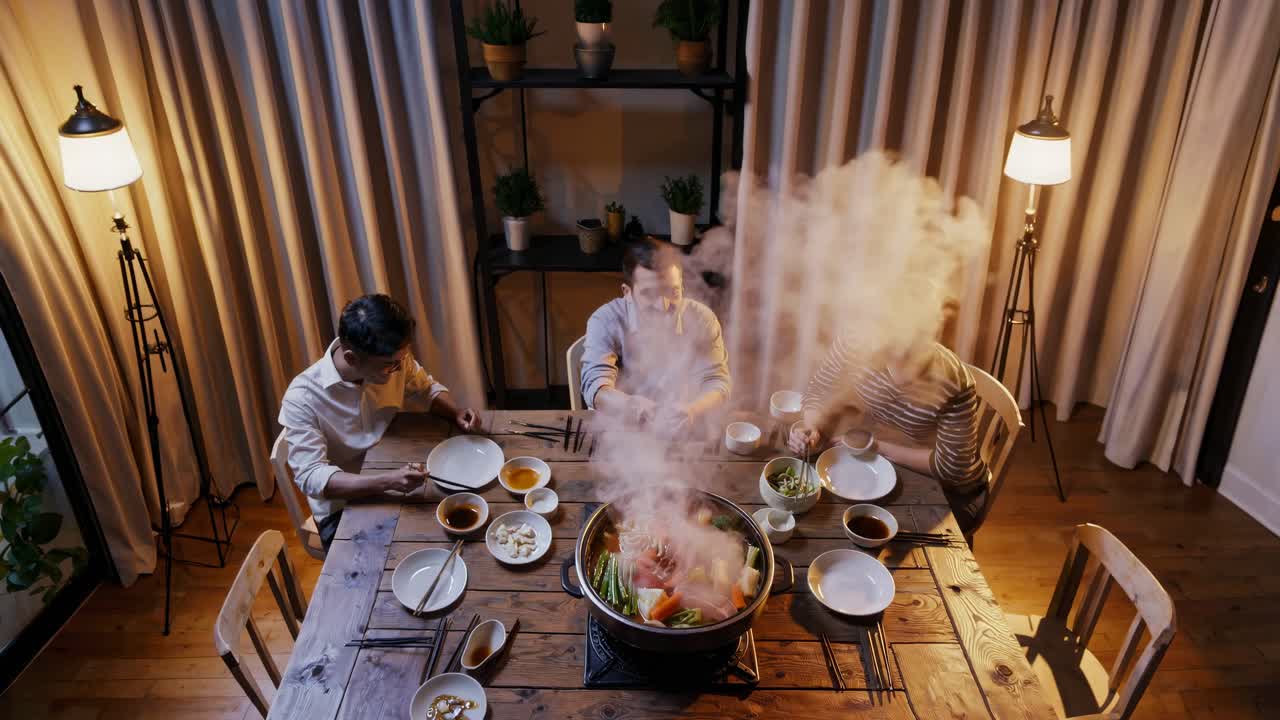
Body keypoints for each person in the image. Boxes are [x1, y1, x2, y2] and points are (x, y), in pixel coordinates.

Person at [278, 294, 482, 549]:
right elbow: (311, 476)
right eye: (390, 366)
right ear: (352, 358)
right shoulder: (302, 397)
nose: (399, 368)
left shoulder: (392, 358)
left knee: (466, 523)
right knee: (401, 562)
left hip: (396, 470)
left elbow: (425, 389)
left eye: (401, 360)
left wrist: (456, 412)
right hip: (343, 506)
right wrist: (388, 481)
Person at [789, 335, 988, 531]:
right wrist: (812, 429)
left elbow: (952, 468)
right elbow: (819, 391)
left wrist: (877, 447)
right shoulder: (856, 340)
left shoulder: (953, 379)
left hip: (951, 491)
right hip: (888, 468)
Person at [581, 238, 731, 434]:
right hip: (624, 428)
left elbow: (717, 381)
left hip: (684, 425)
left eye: (672, 291)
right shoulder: (605, 320)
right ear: (628, 292)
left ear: (682, 287)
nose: (663, 305)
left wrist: (693, 410)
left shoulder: (702, 318)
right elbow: (595, 387)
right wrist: (633, 406)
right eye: (649, 294)